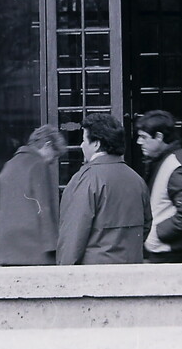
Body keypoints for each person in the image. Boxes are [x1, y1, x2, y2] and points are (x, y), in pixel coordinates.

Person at [57, 113, 152, 265]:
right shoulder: (137, 180)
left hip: (94, 271)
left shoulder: (86, 178)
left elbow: (73, 234)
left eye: (84, 140)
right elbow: (146, 225)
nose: (82, 145)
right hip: (131, 267)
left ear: (96, 144)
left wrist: (64, 269)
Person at [0, 125, 66, 266]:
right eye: (55, 155)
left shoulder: (9, 165)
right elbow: (44, 207)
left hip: (7, 247)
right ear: (47, 145)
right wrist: (54, 248)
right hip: (34, 248)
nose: (53, 161)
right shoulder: (39, 165)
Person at [136, 110, 182, 263]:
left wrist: (158, 233)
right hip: (170, 251)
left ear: (159, 137)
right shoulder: (169, 161)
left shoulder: (176, 165)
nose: (139, 142)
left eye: (144, 137)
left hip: (172, 254)